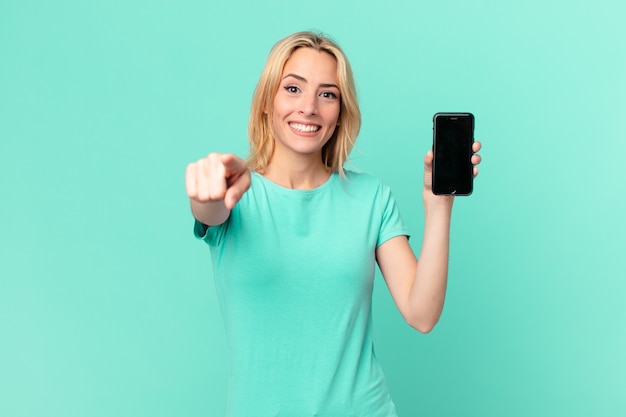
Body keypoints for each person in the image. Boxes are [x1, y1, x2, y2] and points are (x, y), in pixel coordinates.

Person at [185, 31, 482, 417]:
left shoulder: (370, 198)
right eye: (293, 88)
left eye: (327, 94)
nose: (308, 107)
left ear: (340, 111)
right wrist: (205, 192)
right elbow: (209, 208)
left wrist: (439, 205)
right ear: (266, 102)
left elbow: (421, 314)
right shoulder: (235, 195)